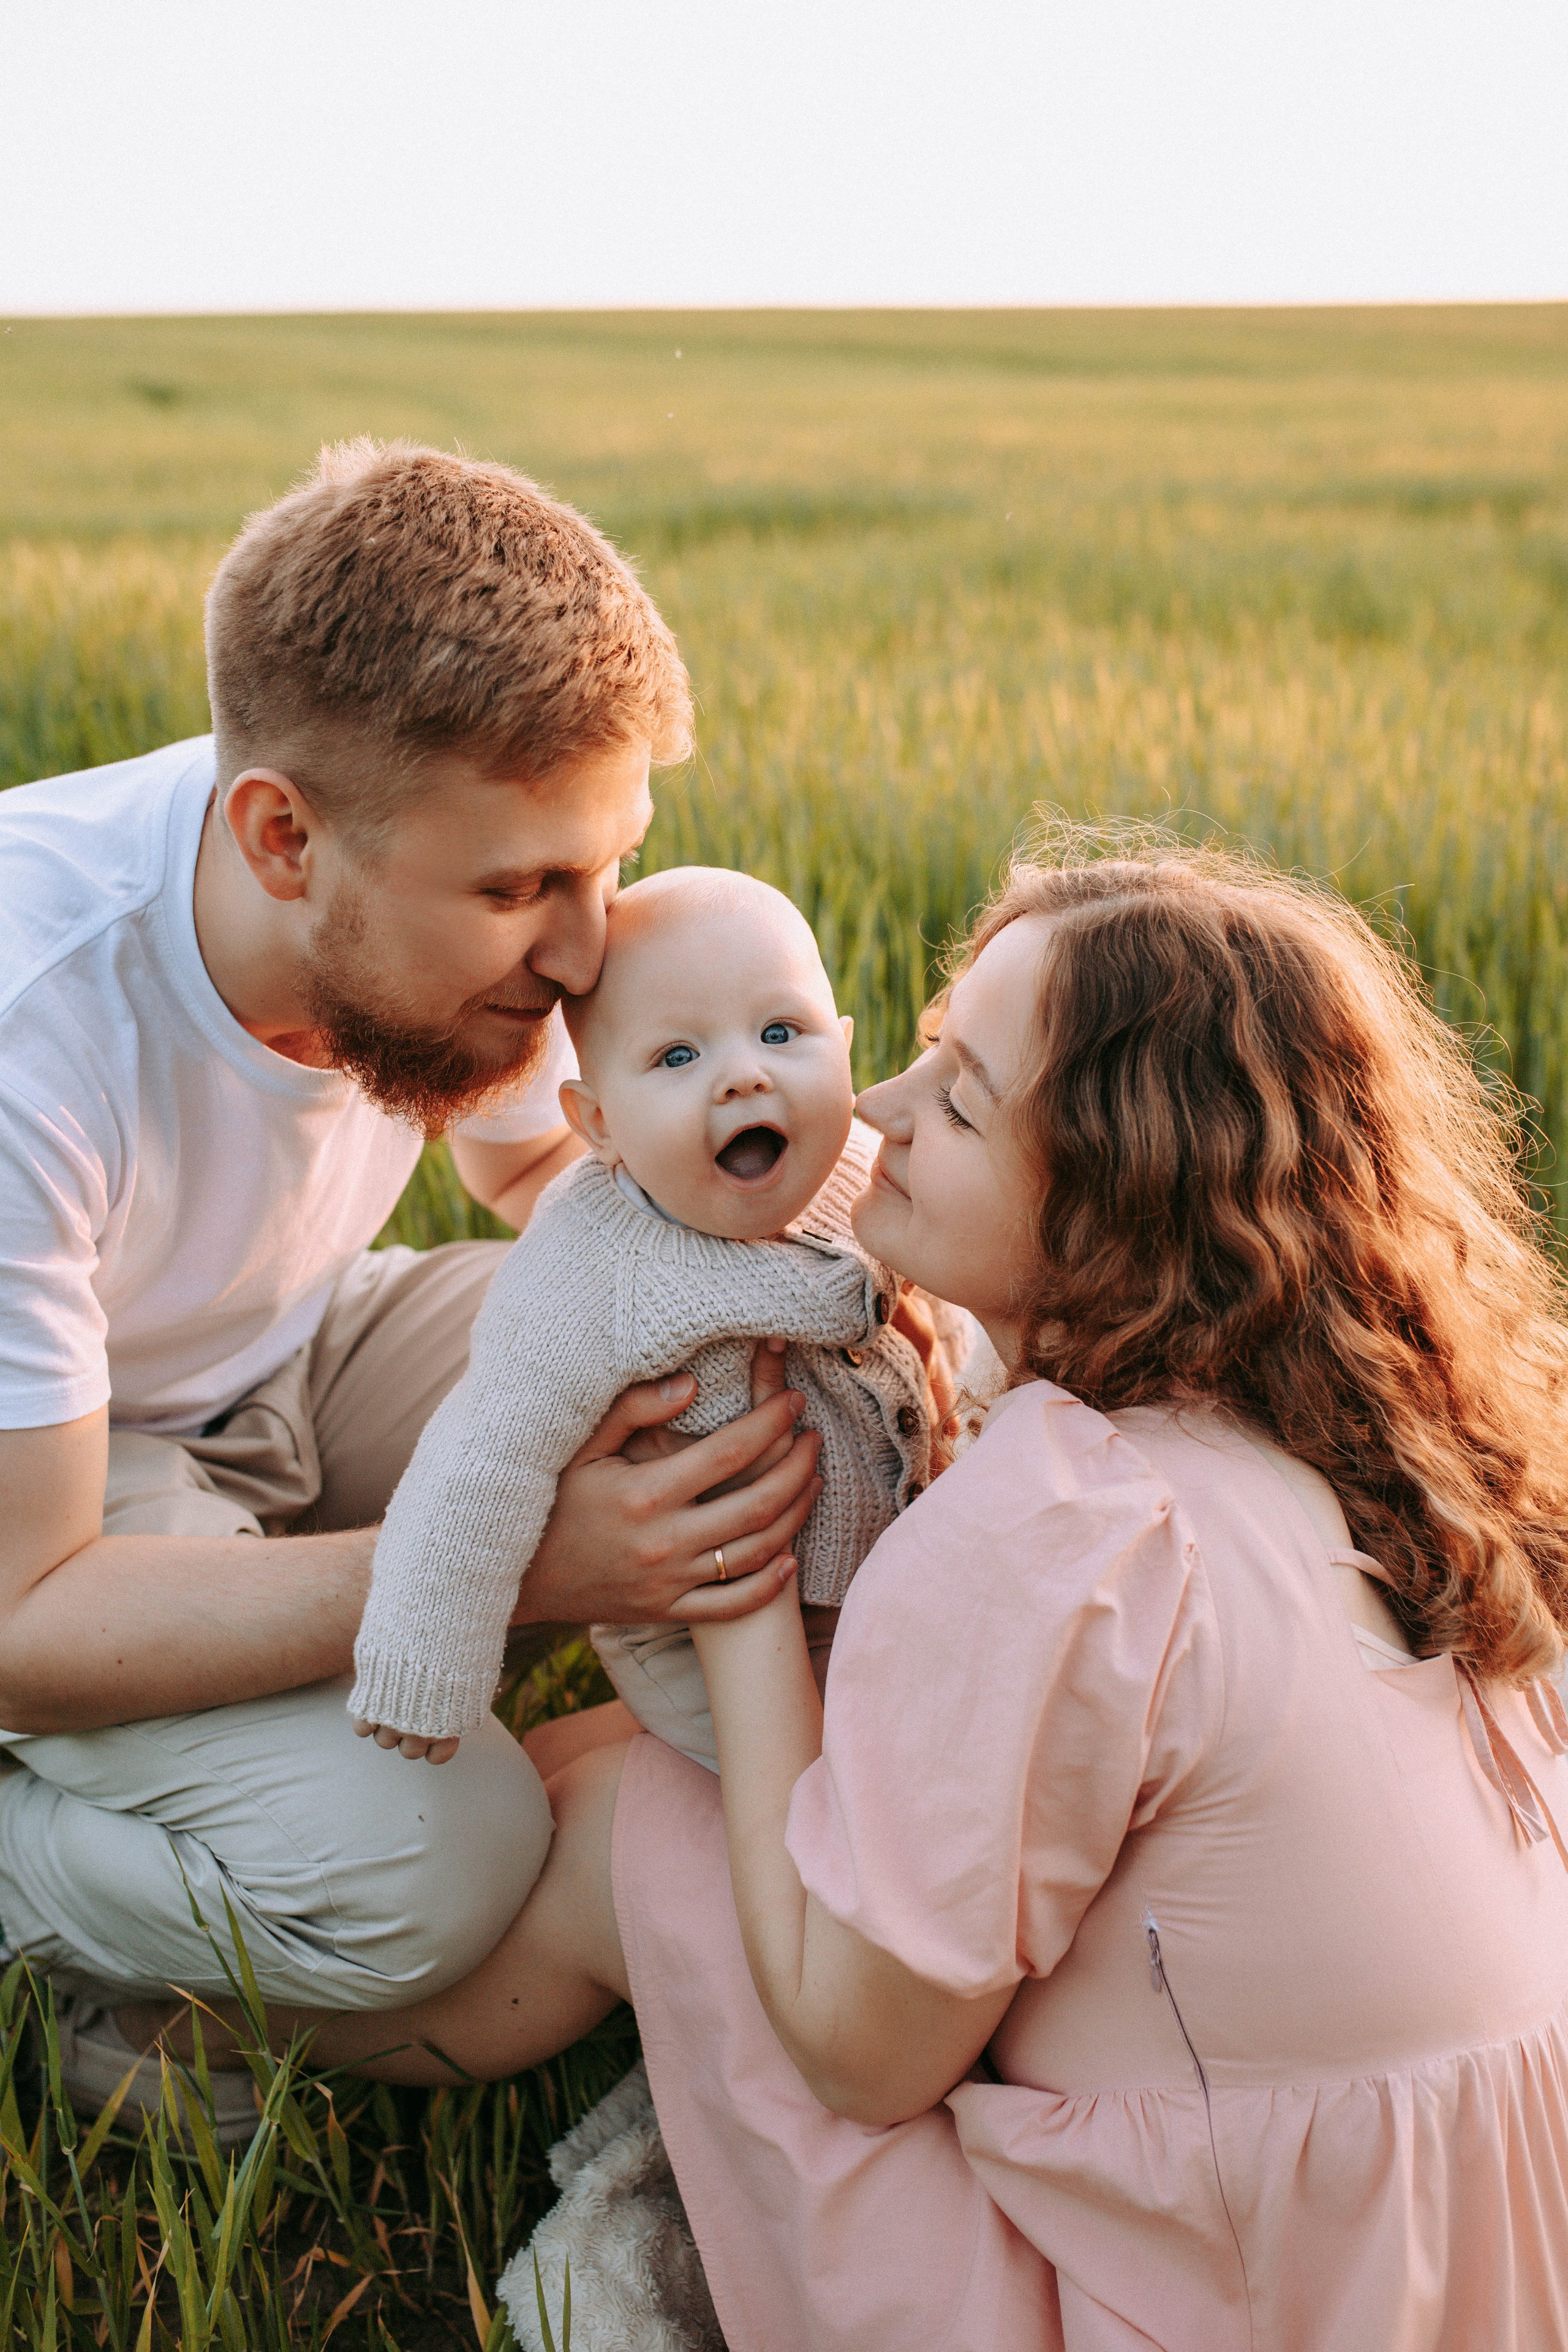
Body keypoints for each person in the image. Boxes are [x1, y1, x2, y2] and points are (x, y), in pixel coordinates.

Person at [318, 834, 1568, 2351]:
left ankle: (244, 2053)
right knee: (595, 1764)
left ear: (1109, 1202)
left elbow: (859, 2057)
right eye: (913, 1055)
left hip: (1185, 2300)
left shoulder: (1065, 1529)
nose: (881, 1114)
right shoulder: (1383, 1433)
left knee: (640, 1821)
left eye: (957, 1096)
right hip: (1449, 2258)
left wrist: (735, 1602)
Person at [0, 440, 821, 2128]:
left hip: (300, 1348)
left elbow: (544, 1175)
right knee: (436, 1876)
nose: (591, 954)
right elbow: (22, 1620)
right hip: (62, 1517)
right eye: (525, 891)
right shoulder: (33, 1024)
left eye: (610, 866)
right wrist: (517, 1550)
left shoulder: (423, 883)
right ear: (280, 838)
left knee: (728, 1371)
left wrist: (849, 1284)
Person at [348, 866, 935, 1773]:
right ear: (598, 1123)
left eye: (783, 1033)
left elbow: (955, 1266)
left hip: (873, 1571)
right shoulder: (587, 1273)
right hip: (691, 1629)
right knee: (835, 1787)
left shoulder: (858, 1165)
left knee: (921, 1709)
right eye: (677, 1057)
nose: (745, 1076)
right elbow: (478, 1460)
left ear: (845, 1048)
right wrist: (422, 1660)